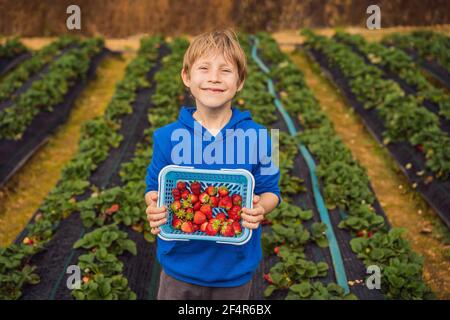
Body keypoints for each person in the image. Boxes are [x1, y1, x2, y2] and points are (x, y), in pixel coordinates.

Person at [144, 29, 281, 300]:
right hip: (179, 268)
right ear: (187, 77)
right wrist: (153, 206)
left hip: (234, 270)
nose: (214, 78)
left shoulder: (264, 137)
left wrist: (260, 208)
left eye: (226, 70)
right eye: (204, 68)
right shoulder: (166, 137)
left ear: (240, 81)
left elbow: (271, 191)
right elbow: (153, 187)